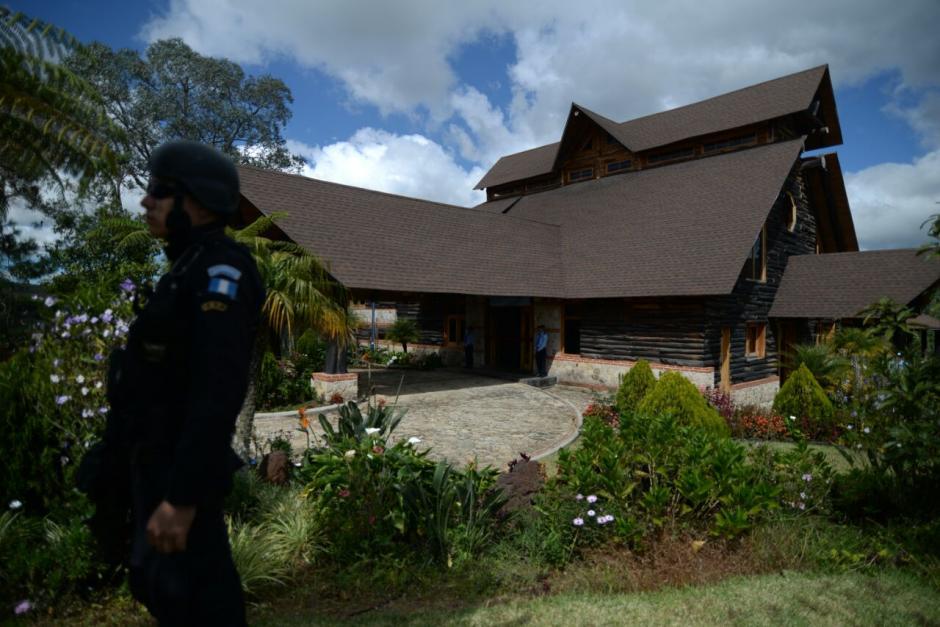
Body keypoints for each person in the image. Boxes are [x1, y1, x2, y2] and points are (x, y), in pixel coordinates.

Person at [107, 140, 263, 625]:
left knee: (201, 601)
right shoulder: (184, 270)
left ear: (195, 201)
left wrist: (183, 497)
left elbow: (217, 390)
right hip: (155, 463)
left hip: (181, 475)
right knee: (165, 592)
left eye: (159, 191)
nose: (145, 201)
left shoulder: (223, 270)